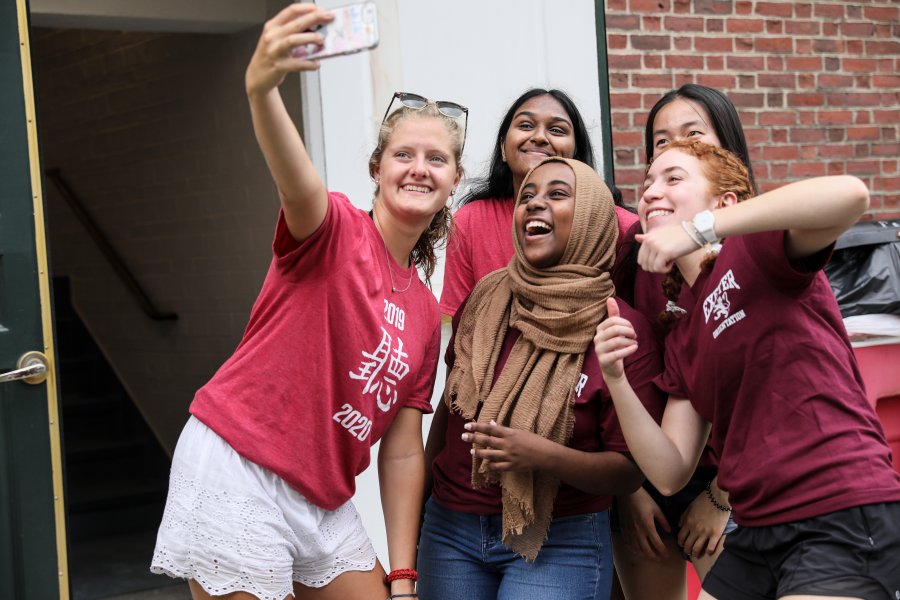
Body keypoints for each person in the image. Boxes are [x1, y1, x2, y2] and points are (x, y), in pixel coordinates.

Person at [149, 4, 464, 599]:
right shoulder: (335, 226)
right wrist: (262, 89)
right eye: (403, 155)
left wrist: (402, 577)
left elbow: (400, 453)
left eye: (436, 159)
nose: (418, 168)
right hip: (239, 467)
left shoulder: (425, 311)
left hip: (322, 496)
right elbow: (295, 179)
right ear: (377, 169)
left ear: (453, 182)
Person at [595, 139, 900, 599]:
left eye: (673, 178)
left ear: (725, 203)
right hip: (759, 530)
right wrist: (616, 379)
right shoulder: (684, 331)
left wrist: (701, 229)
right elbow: (670, 471)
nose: (651, 191)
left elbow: (851, 194)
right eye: (648, 181)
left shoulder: (757, 252)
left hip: (839, 510)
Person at [417, 157, 666, 600]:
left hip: (559, 537)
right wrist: (416, 508)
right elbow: (448, 412)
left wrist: (544, 456)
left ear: (591, 216)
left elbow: (629, 471)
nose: (534, 204)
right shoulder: (486, 297)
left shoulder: (622, 329)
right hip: (450, 530)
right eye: (527, 196)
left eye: (556, 194)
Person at [611, 85, 757, 600]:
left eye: (693, 135)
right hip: (656, 462)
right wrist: (631, 487)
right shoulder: (641, 256)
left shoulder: (762, 255)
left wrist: (721, 500)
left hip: (738, 481)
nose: (674, 147)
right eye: (660, 143)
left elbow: (766, 396)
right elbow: (650, 374)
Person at [439, 87, 638, 319]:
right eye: (525, 126)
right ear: (503, 147)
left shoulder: (620, 226)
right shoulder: (470, 222)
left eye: (556, 130)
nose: (539, 137)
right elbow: (463, 329)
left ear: (576, 153)